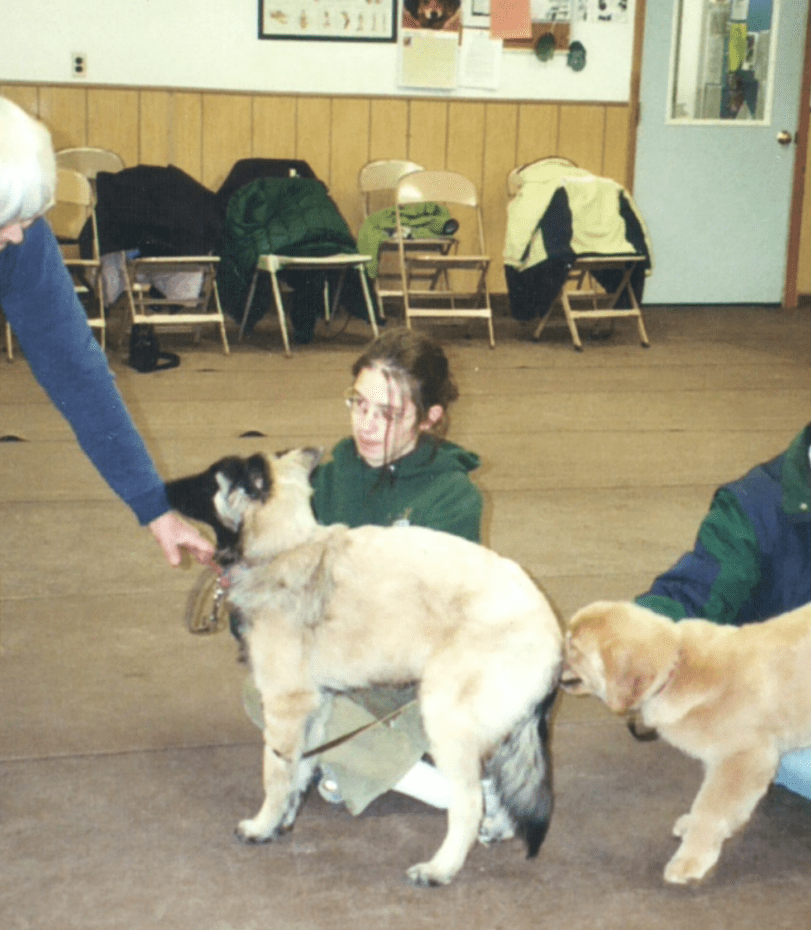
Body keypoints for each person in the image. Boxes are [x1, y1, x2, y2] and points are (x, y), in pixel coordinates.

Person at [240, 327, 483, 815]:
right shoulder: (326, 479)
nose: (367, 425)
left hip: (413, 672)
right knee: (259, 687)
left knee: (299, 705)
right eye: (359, 404)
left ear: (430, 419)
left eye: (388, 414)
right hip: (339, 656)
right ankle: (411, 778)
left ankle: (395, 772)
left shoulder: (454, 497)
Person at [636, 348, 811, 821]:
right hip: (800, 712)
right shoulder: (755, 508)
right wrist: (631, 644)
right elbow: (693, 595)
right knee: (785, 744)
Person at [0, 96, 214, 567]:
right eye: (6, 221)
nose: (17, 236)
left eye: (27, 219)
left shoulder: (19, 239)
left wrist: (154, 506)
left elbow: (75, 369)